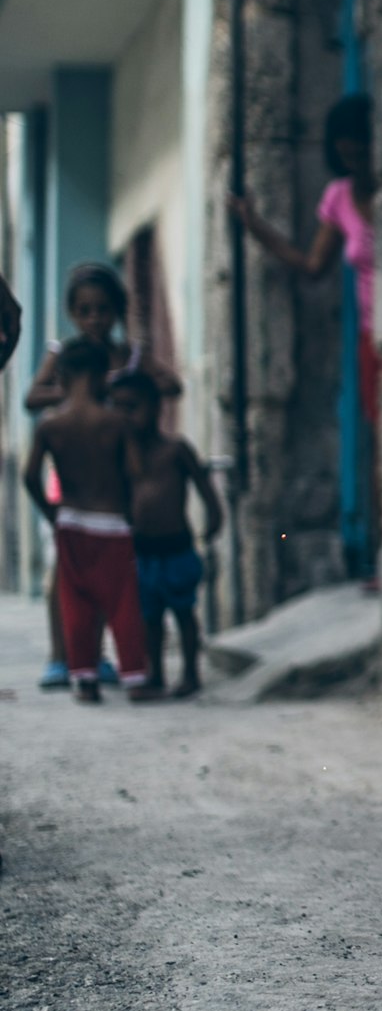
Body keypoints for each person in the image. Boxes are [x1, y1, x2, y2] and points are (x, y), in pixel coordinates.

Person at [226, 92, 381, 562]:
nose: (353, 161)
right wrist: (257, 228)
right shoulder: (338, 197)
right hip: (372, 337)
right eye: (345, 153)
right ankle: (381, 549)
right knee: (378, 444)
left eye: (360, 150)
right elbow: (313, 265)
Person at [25, 263, 181, 690]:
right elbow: (32, 395)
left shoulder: (129, 357)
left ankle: (101, 659)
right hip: (76, 470)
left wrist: (131, 389)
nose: (95, 319)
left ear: (118, 311)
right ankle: (63, 657)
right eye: (85, 310)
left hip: (119, 478)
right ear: (72, 313)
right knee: (67, 566)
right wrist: (81, 393)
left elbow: (170, 383)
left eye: (103, 310)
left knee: (117, 572)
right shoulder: (65, 354)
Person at [23, 339, 152, 703]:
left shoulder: (51, 425)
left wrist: (52, 513)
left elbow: (31, 476)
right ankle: (135, 678)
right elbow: (136, 472)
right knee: (122, 603)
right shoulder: (115, 423)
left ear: (62, 376)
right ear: (101, 377)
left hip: (70, 522)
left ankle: (85, 680)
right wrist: (132, 511)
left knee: (76, 603)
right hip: (111, 522)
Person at [110, 368, 225, 699]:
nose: (125, 416)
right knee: (150, 618)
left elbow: (204, 487)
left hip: (176, 546)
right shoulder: (123, 456)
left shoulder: (175, 450)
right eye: (117, 407)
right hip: (141, 549)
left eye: (132, 407)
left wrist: (215, 516)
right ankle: (155, 674)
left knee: (184, 612)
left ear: (156, 407)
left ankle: (191, 672)